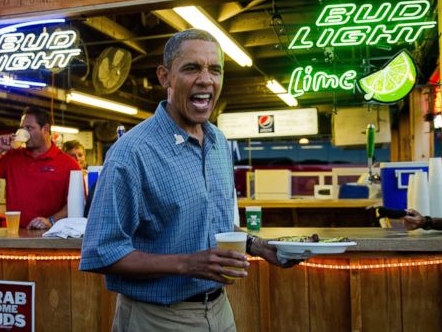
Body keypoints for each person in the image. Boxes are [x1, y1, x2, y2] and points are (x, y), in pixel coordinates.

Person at [80, 29, 297, 332]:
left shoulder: (218, 142)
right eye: (192, 68)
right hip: (156, 319)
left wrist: (257, 245)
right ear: (164, 77)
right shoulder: (131, 152)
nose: (206, 79)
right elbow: (101, 252)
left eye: (215, 70)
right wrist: (187, 264)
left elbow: (211, 223)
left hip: (221, 311)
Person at [0, 106, 80, 229]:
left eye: (29, 128)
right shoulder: (12, 157)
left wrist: (51, 221)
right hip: (17, 234)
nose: (24, 132)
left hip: (53, 235)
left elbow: (76, 203)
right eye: (22, 128)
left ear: (45, 129)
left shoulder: (69, 164)